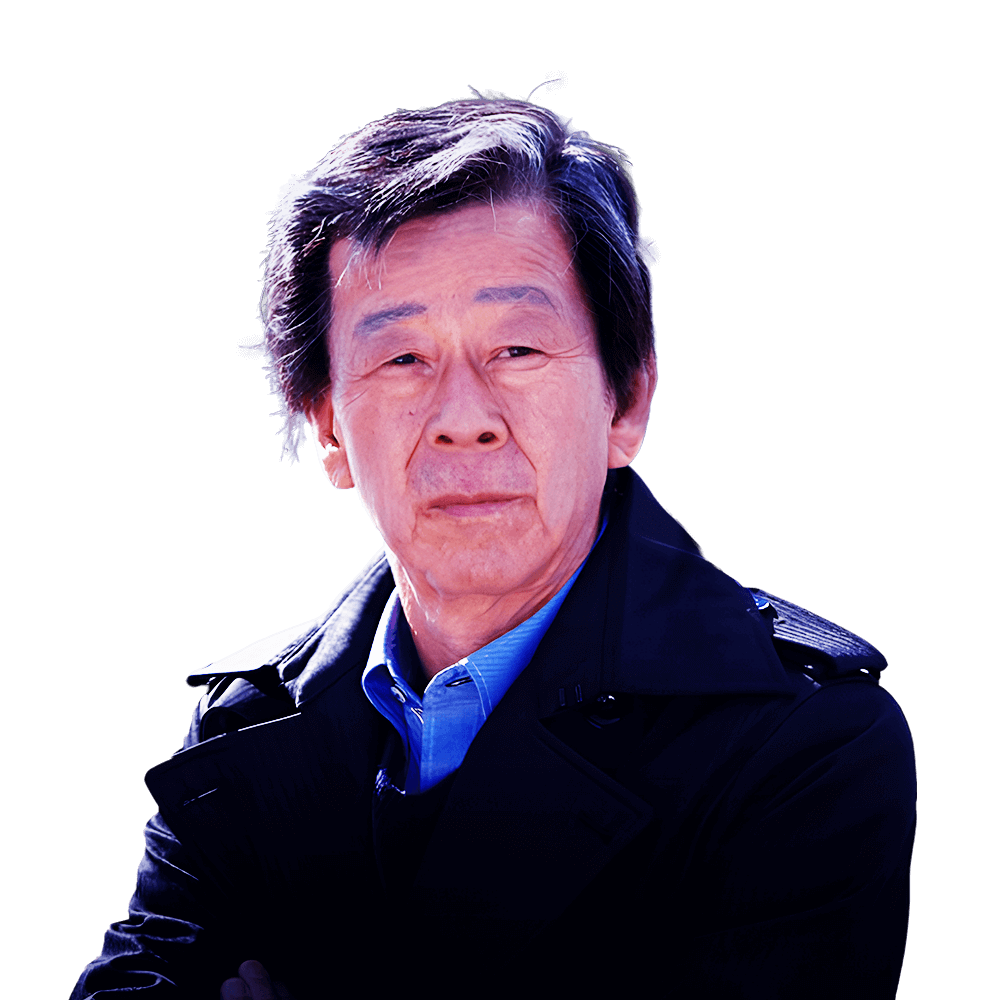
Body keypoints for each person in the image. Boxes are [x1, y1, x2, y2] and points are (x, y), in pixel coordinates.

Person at [71, 90, 916, 999]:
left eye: (518, 349)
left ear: (626, 400)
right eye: (403, 358)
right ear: (328, 428)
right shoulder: (246, 723)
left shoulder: (802, 740)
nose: (464, 418)